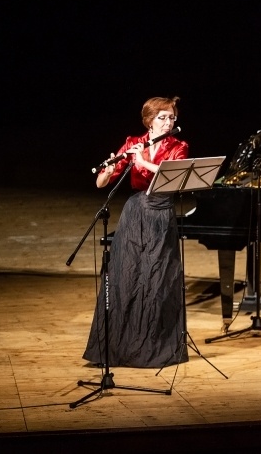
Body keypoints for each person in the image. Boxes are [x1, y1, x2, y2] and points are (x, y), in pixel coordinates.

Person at [83, 96, 190, 368]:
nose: (168, 122)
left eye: (172, 118)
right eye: (162, 117)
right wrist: (108, 170)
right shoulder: (133, 143)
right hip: (135, 213)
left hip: (161, 214)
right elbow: (101, 183)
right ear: (149, 120)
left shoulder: (178, 146)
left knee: (157, 278)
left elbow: (173, 179)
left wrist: (143, 161)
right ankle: (119, 347)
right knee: (127, 275)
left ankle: (153, 348)